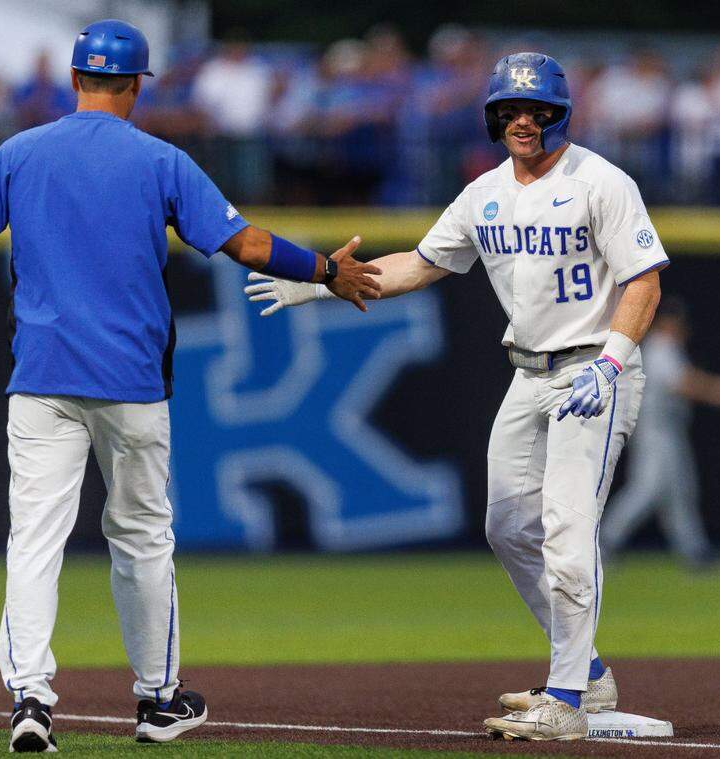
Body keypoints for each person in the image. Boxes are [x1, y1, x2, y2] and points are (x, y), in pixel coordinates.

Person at [0, 19, 379, 753]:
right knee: (140, 538)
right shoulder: (161, 159)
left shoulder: (19, 152)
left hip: (42, 379)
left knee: (35, 540)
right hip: (132, 382)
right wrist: (326, 269)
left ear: (75, 79)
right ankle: (158, 699)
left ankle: (31, 700)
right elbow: (247, 245)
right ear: (137, 85)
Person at [245, 52, 668, 741]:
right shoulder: (485, 192)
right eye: (510, 110)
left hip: (594, 367)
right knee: (507, 528)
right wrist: (328, 280)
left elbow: (644, 280)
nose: (523, 121)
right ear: (494, 117)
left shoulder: (601, 180)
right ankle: (586, 670)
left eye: (537, 110)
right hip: (529, 373)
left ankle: (565, 697)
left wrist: (614, 361)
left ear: (561, 114)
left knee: (566, 527)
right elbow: (419, 261)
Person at [599, 296, 720, 567]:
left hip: (668, 429)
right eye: (675, 321)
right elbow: (680, 383)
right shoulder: (658, 346)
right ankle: (603, 542)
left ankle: (695, 551)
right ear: (666, 322)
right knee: (647, 490)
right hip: (655, 430)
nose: (680, 326)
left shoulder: (667, 347)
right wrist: (717, 390)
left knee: (680, 492)